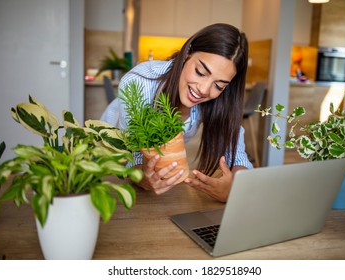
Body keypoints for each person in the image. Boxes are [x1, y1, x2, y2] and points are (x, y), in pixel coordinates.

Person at [101, 23, 253, 202]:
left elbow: (238, 155)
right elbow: (133, 155)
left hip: (151, 189)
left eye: (219, 85)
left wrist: (233, 186)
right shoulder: (140, 82)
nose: (204, 89)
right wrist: (145, 179)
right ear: (188, 51)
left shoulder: (219, 97)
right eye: (200, 72)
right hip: (107, 163)